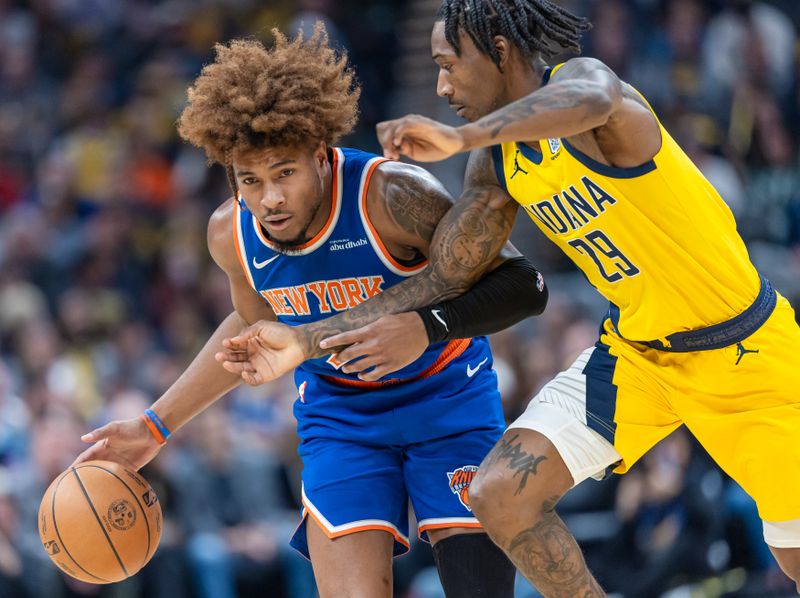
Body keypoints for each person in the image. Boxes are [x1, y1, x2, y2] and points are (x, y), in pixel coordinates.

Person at [216, 2, 800, 596]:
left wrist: (461, 135)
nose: (441, 87)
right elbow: (443, 277)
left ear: (499, 50)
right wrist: (305, 340)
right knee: (499, 494)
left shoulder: (585, 85)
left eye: (449, 65)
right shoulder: (498, 163)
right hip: (637, 358)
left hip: (745, 351)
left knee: (794, 559)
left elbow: (595, 98)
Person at [74, 24, 551, 598]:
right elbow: (253, 329)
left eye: (284, 173)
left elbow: (523, 283)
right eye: (250, 180)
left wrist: (424, 328)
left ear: (322, 157)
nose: (269, 198)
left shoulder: (392, 195)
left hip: (445, 398)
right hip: (342, 419)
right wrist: (156, 425)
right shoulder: (230, 233)